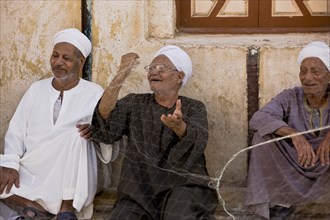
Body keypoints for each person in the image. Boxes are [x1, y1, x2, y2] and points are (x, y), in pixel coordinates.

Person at [91, 45, 218, 219]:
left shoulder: (193, 107)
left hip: (183, 185)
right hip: (139, 190)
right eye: (151, 68)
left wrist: (179, 127)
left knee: (179, 215)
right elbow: (105, 125)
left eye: (161, 68)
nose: (153, 72)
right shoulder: (134, 103)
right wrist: (122, 73)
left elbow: (198, 140)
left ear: (179, 77)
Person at [0, 28, 114, 220]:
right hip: (31, 165)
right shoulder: (36, 89)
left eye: (66, 58)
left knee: (77, 135)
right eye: (55, 56)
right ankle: (32, 207)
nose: (58, 62)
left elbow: (109, 135)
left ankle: (66, 209)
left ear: (81, 62)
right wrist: (10, 164)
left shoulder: (94, 93)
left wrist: (96, 132)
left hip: (69, 174)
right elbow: (16, 132)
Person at [244, 41, 330, 220]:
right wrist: (293, 134)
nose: (307, 78)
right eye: (303, 71)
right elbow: (259, 118)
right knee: (262, 138)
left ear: (328, 75)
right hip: (296, 162)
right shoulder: (291, 96)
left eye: (315, 71)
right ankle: (280, 203)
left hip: (325, 165)